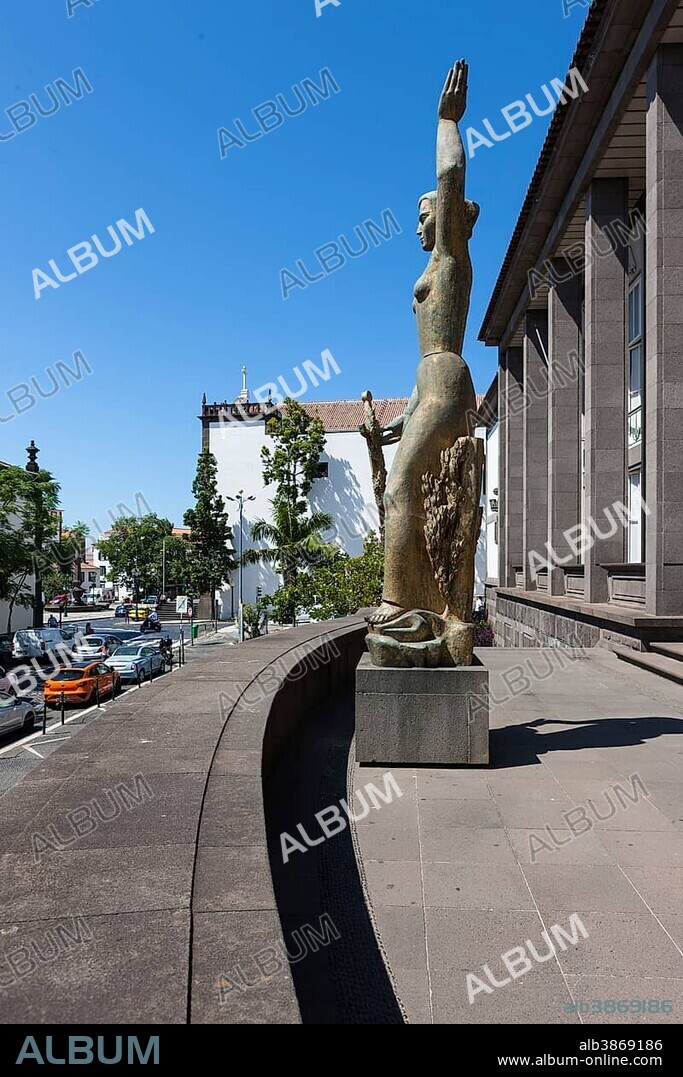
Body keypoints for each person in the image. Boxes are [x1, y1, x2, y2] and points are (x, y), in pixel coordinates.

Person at [369, 60, 479, 626]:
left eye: (423, 216)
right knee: (405, 491)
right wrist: (397, 420)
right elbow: (423, 377)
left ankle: (398, 607)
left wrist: (446, 122)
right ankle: (424, 604)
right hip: (431, 382)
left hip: (445, 379)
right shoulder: (438, 263)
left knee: (401, 492)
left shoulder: (450, 259)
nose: (416, 226)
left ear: (449, 220)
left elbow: (450, 178)